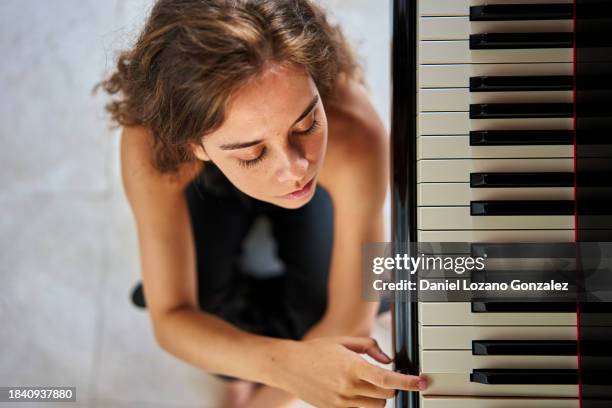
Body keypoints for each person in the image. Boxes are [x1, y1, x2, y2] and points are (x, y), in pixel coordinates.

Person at [99, 0, 427, 406]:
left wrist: (269, 385)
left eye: (307, 124)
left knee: (330, 307)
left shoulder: (355, 135)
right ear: (192, 144)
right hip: (203, 180)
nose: (296, 170)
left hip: (329, 177)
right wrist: (281, 365)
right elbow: (172, 317)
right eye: (252, 154)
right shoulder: (155, 144)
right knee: (208, 318)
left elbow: (347, 321)